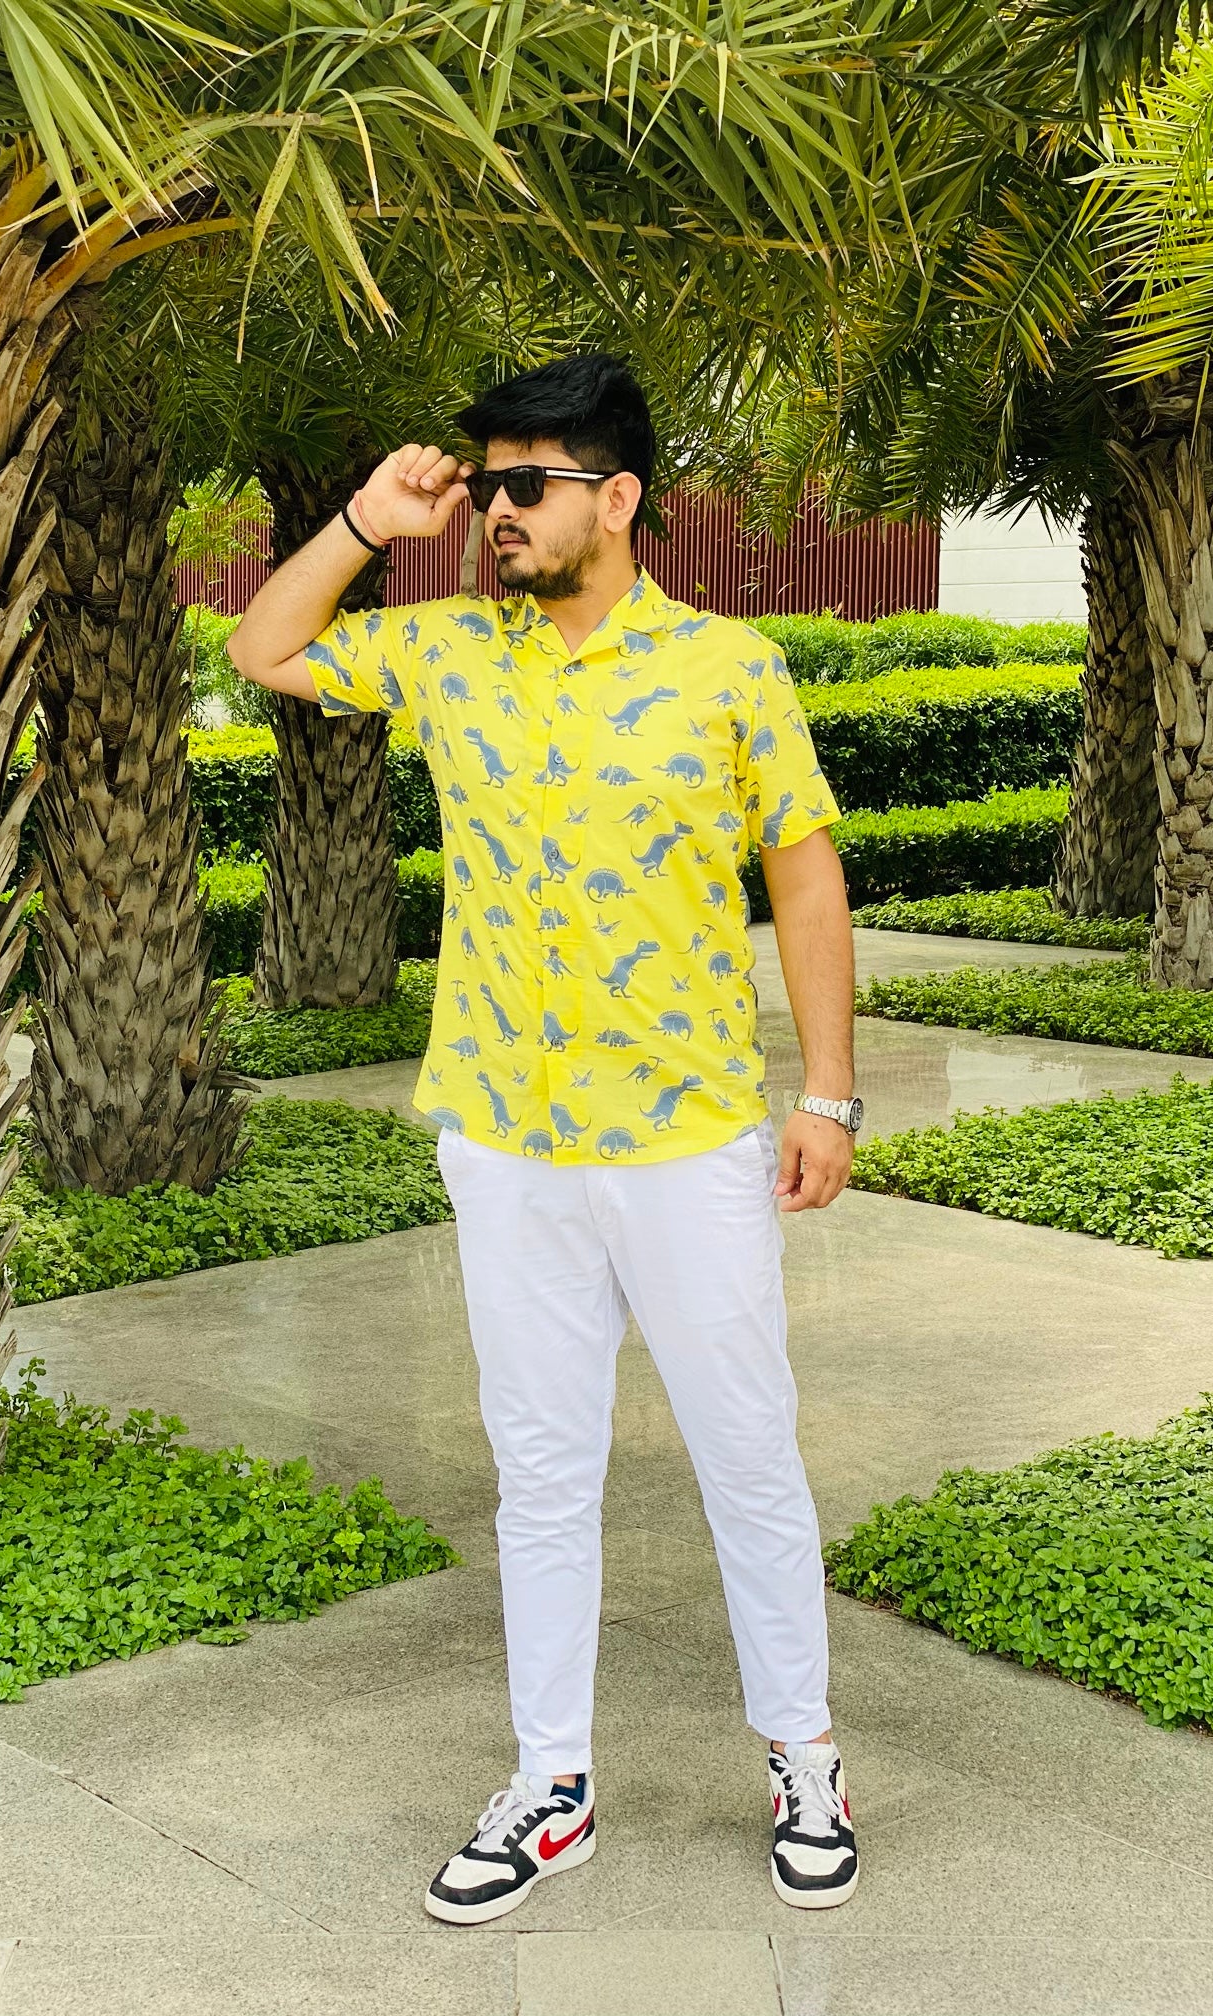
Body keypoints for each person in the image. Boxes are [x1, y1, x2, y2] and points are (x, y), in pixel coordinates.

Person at [227, 353, 865, 1924]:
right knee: (540, 1470)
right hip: (507, 1138)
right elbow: (264, 645)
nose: (495, 511)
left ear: (618, 498)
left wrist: (829, 1094)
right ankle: (552, 1784)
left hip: (687, 1137)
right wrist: (366, 523)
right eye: (485, 485)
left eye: (527, 485)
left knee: (747, 1454)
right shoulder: (447, 651)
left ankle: (804, 1755)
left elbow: (803, 874)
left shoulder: (729, 669)